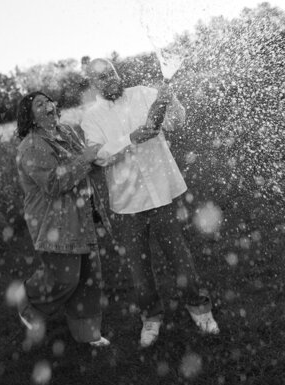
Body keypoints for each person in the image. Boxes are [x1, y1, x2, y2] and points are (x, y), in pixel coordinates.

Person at [81, 58, 219, 348]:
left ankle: (200, 310)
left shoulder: (144, 93)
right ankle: (151, 319)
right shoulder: (90, 117)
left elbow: (175, 122)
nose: (110, 80)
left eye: (112, 73)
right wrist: (130, 138)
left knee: (180, 259)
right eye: (102, 78)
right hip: (127, 203)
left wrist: (171, 100)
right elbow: (99, 156)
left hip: (160, 193)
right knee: (139, 270)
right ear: (94, 84)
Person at [15, 91, 111, 347]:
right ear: (31, 117)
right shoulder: (32, 146)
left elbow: (86, 161)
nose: (49, 105)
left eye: (49, 101)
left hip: (82, 213)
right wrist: (87, 158)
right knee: (64, 278)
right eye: (40, 104)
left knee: (89, 277)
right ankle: (28, 301)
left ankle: (87, 334)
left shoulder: (66, 131)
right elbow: (54, 183)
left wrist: (103, 154)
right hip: (53, 221)